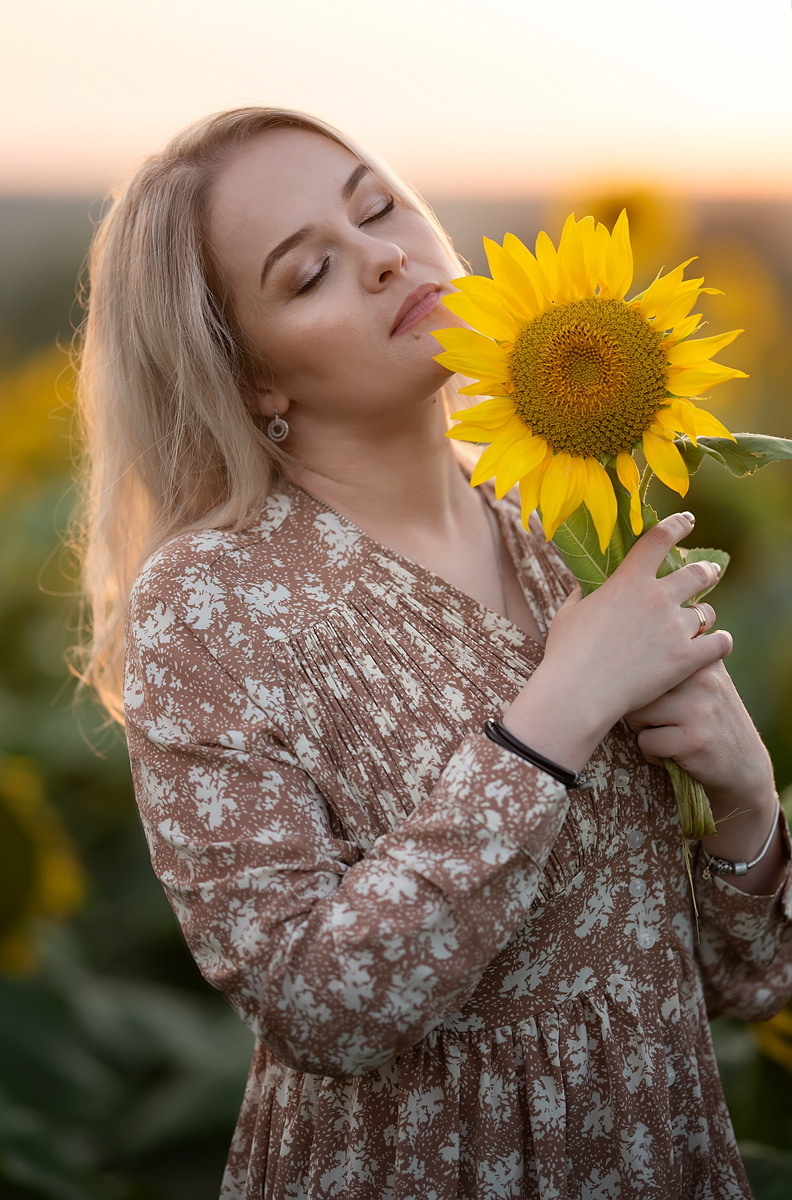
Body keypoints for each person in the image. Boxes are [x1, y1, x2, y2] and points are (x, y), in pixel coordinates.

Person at [74, 107, 792, 1200]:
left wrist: (746, 810)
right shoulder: (216, 605)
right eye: (310, 272)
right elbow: (319, 1010)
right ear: (253, 379)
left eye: (378, 207)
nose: (382, 257)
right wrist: (557, 712)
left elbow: (736, 985)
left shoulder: (569, 508)